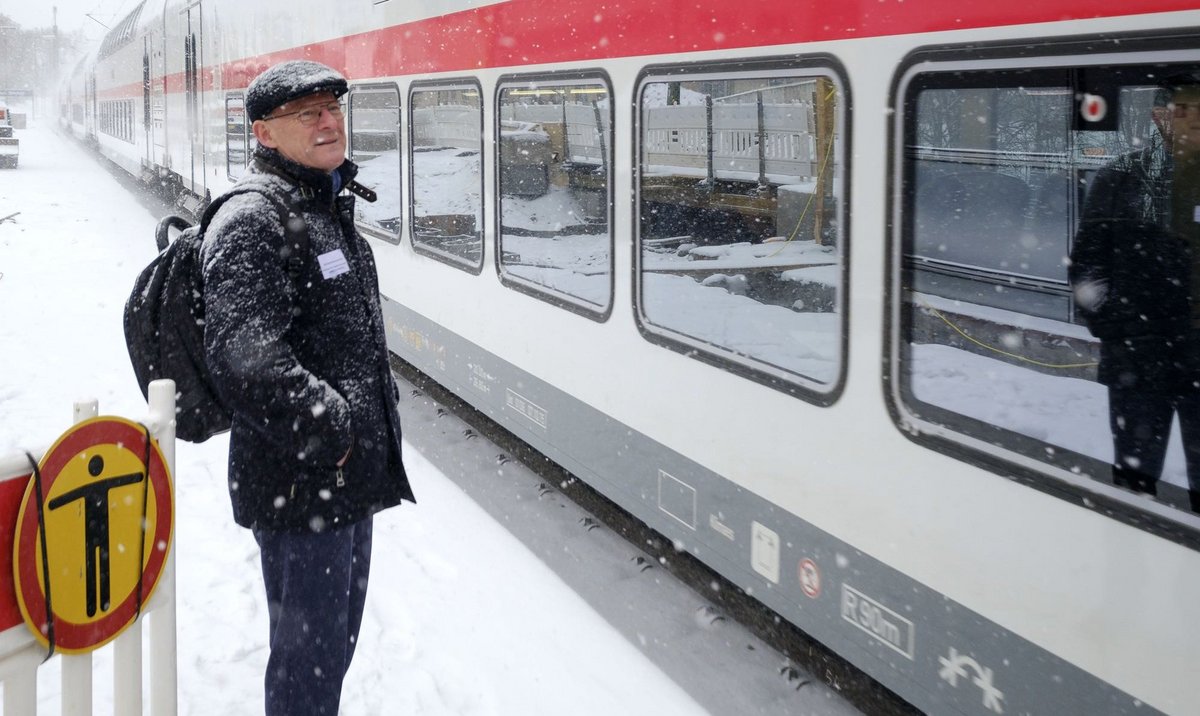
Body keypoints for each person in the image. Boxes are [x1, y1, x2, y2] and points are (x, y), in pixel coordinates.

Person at [200, 59, 415, 715]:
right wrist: (337, 430)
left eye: (333, 109)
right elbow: (245, 357)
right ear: (265, 134)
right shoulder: (254, 222)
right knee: (308, 665)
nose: (328, 123)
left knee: (330, 651)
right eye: (307, 114)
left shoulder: (320, 207)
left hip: (342, 483)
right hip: (302, 487)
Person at [1070, 78, 1200, 511]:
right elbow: (1088, 265)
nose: (1193, 120)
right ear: (1159, 119)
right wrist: (1116, 327)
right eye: (1182, 110)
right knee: (1133, 487)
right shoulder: (1120, 179)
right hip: (1137, 361)